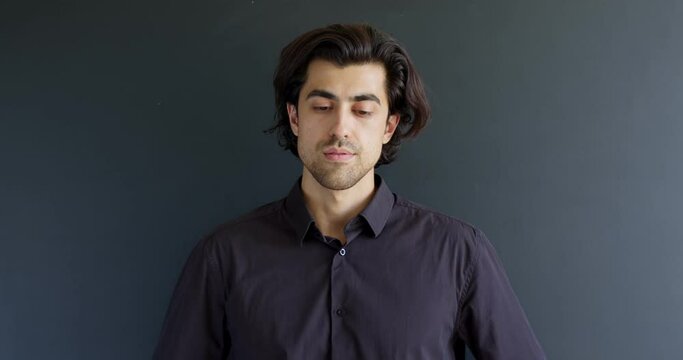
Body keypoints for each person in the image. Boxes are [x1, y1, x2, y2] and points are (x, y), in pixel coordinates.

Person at [154, 23, 546, 360]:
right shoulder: (223, 258)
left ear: (389, 126)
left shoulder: (459, 253)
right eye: (322, 106)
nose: (341, 128)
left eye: (362, 111)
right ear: (294, 117)